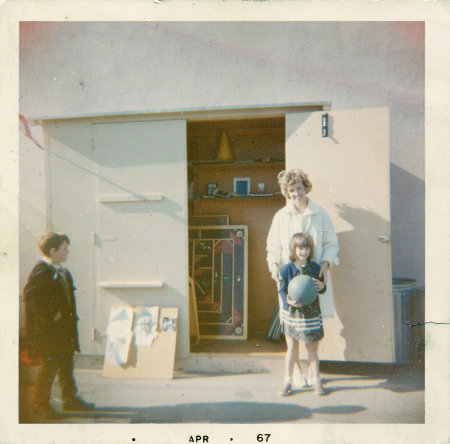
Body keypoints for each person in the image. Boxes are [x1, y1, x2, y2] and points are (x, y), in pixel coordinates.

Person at [266, 169, 339, 385]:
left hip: (313, 278)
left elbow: (330, 245)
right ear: (286, 193)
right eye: (291, 190)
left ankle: (313, 372)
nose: (296, 193)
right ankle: (297, 372)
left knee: (312, 327)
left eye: (299, 188)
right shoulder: (281, 216)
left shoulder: (321, 214)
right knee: (292, 327)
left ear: (306, 188)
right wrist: (274, 268)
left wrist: (324, 269)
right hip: (289, 281)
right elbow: (272, 247)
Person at [23, 231, 95, 419]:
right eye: (64, 249)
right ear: (53, 251)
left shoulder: (61, 271)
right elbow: (31, 297)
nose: (67, 252)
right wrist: (51, 315)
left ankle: (70, 399)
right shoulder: (42, 272)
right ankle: (40, 404)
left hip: (64, 331)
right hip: (50, 333)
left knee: (66, 366)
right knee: (49, 369)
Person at [277, 232, 327, 396]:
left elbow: (322, 288)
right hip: (292, 314)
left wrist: (322, 286)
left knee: (311, 347)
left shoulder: (315, 268)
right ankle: (287, 381)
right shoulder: (286, 269)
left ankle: (316, 380)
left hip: (311, 314)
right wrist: (288, 301)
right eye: (300, 248)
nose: (303, 252)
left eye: (306, 248)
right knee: (291, 347)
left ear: (309, 250)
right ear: (294, 249)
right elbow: (282, 291)